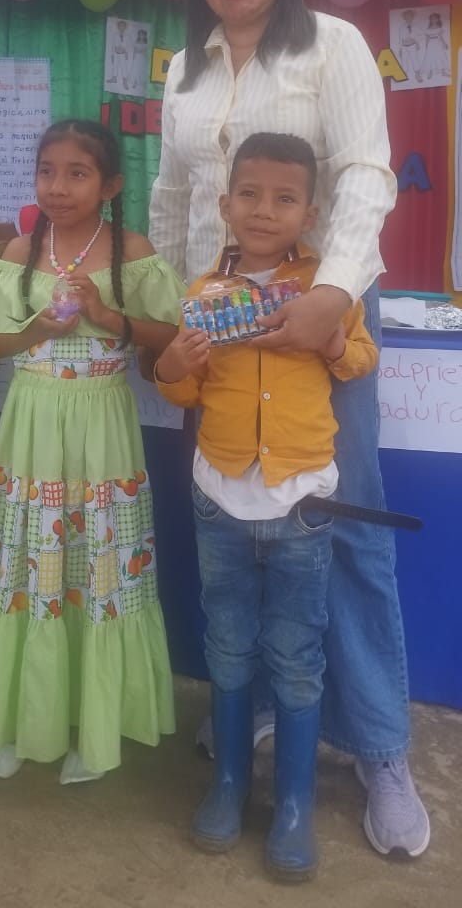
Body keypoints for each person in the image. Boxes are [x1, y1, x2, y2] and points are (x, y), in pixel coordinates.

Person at [148, 0, 430, 859]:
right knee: (243, 517)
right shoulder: (184, 75)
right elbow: (172, 197)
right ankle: (263, 705)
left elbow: (365, 175)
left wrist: (332, 295)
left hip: (322, 311)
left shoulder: (332, 46)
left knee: (338, 518)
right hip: (220, 322)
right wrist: (173, 308)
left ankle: (382, 745)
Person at [156, 132, 377, 879]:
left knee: (296, 656)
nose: (263, 210)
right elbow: (183, 392)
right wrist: (171, 366)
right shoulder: (203, 295)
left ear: (309, 214)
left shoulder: (325, 288)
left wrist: (330, 341)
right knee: (227, 644)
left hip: (302, 503)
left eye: (284, 199)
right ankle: (228, 783)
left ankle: (293, 804)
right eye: (249, 194)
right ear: (224, 205)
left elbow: (360, 359)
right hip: (219, 497)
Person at [0, 120, 182, 783]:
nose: (58, 186)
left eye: (78, 173)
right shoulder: (21, 251)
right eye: (47, 170)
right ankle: (21, 717)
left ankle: (92, 725)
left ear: (111, 185)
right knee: (30, 560)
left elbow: (170, 334)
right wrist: (34, 329)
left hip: (103, 427)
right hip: (32, 425)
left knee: (98, 562)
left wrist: (107, 317)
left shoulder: (132, 251)